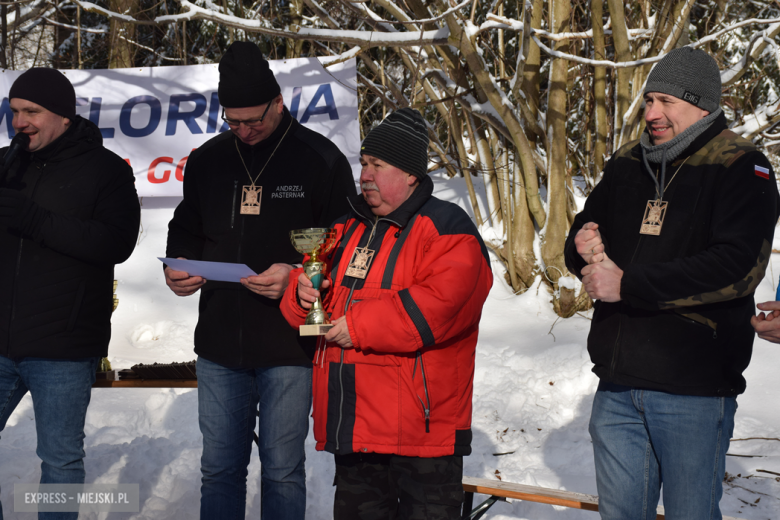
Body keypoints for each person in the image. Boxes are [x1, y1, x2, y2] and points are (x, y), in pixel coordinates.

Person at [564, 47, 780, 519]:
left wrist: (630, 284)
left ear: (702, 105)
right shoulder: (627, 162)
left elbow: (736, 266)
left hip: (694, 389)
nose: (651, 113)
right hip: (618, 384)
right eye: (647, 101)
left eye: (665, 102)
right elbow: (582, 233)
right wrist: (581, 246)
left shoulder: (742, 165)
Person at [164, 41, 356, 520]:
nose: (245, 131)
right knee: (220, 468)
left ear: (279, 103)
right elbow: (185, 227)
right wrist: (178, 266)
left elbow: (347, 246)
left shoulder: (319, 158)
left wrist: (296, 275)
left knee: (283, 470)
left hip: (288, 345)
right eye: (234, 121)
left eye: (255, 119)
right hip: (219, 342)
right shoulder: (209, 159)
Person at [280, 108, 493, 519]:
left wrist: (356, 327)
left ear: (411, 174)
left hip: (421, 438)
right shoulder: (344, 228)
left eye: (378, 165)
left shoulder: (448, 229)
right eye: (364, 163)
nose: (365, 175)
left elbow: (439, 307)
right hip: (354, 431)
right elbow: (305, 303)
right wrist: (302, 295)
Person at [0, 68, 140, 520]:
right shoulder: (5, 163)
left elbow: (116, 243)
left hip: (62, 343)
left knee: (59, 460)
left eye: (32, 112)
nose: (20, 121)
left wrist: (36, 220)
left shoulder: (107, 170)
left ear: (62, 115)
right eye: (14, 111)